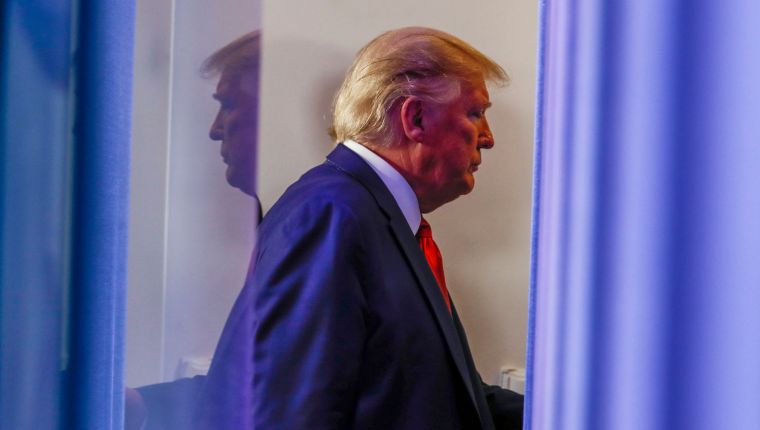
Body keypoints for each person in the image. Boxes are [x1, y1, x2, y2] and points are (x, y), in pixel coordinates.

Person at [197, 26, 523, 429]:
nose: (487, 138)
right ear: (415, 117)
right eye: (475, 113)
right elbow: (290, 415)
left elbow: (441, 393)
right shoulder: (329, 215)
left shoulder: (372, 216)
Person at [125, 30, 262, 430]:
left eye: (230, 105)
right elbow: (253, 387)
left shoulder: (317, 232)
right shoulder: (282, 224)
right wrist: (138, 404)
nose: (215, 129)